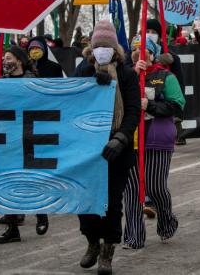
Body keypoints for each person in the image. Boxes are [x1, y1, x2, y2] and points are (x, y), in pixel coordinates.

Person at [74, 21, 140, 275]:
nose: (102, 50)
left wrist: (121, 138)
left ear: (115, 48)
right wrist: (92, 83)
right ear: (91, 48)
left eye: (106, 46)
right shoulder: (82, 70)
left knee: (112, 203)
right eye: (98, 46)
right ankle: (92, 241)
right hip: (87, 148)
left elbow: (133, 110)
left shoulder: (127, 74)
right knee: (85, 199)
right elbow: (72, 103)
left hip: (117, 149)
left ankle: (107, 250)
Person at [123, 36, 185, 248]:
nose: (138, 53)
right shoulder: (127, 75)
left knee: (155, 187)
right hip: (131, 140)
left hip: (157, 138)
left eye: (143, 49)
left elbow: (177, 105)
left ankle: (167, 221)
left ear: (152, 53)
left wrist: (149, 105)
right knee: (132, 190)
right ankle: (134, 237)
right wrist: (133, 76)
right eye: (134, 49)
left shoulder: (165, 76)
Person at [0, 46, 50, 244]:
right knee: (8, 180)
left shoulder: (33, 80)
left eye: (9, 58)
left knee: (32, 176)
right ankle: (12, 228)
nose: (5, 61)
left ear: (19, 60)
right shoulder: (0, 83)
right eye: (4, 58)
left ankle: (41, 213)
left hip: (29, 135)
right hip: (8, 136)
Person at [144, 18, 187, 146]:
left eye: (153, 32)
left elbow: (179, 88)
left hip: (162, 111)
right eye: (147, 31)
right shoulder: (134, 54)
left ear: (159, 35)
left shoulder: (172, 58)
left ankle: (179, 135)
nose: (150, 34)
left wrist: (178, 113)